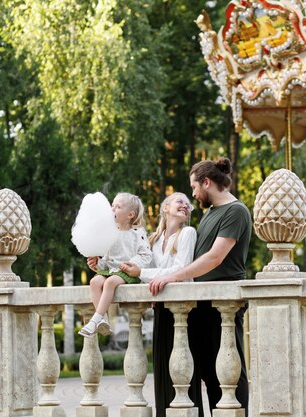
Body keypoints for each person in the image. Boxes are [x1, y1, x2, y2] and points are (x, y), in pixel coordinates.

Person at [148, 158, 251, 417]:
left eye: (194, 187)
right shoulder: (209, 214)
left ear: (207, 183)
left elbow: (215, 258)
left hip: (221, 302)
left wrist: (172, 278)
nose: (193, 194)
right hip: (200, 303)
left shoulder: (236, 211)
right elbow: (184, 259)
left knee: (228, 374)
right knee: (205, 373)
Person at [120, 192, 197, 417]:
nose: (186, 205)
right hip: (162, 308)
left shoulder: (188, 233)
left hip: (184, 309)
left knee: (184, 373)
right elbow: (133, 263)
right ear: (165, 207)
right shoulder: (153, 239)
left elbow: (181, 270)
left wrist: (143, 273)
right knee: (163, 368)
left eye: (188, 203)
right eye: (180, 201)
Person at [79, 192, 153, 337]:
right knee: (94, 281)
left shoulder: (138, 232)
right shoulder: (110, 233)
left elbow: (146, 254)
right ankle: (102, 319)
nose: (112, 210)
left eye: (118, 207)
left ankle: (95, 320)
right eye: (112, 206)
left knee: (110, 282)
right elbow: (106, 260)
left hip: (129, 272)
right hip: (111, 270)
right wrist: (96, 264)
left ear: (130, 215)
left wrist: (132, 263)